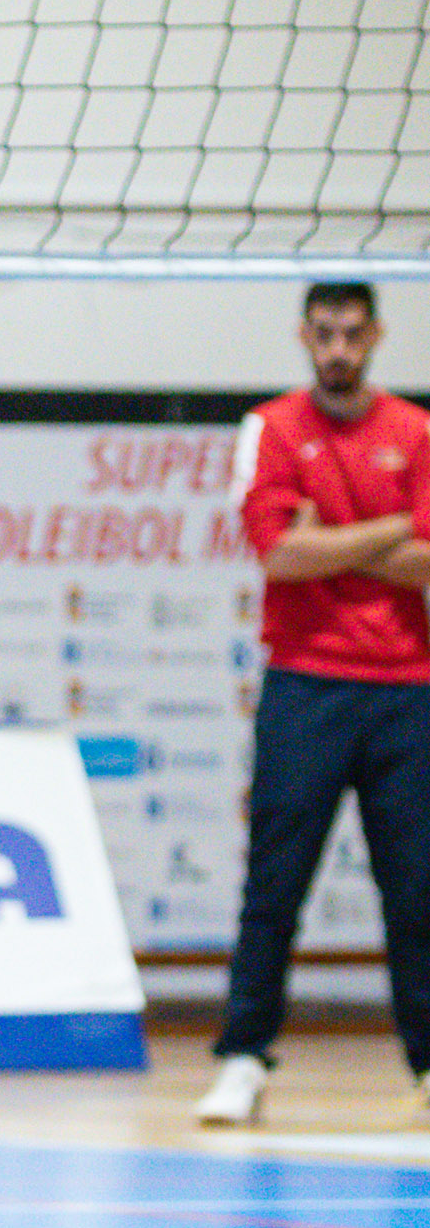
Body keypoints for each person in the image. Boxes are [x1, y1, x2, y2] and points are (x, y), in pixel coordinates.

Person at [198, 282, 430, 1124]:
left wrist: (320, 538)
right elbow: (276, 555)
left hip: (406, 688)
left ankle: (426, 1065)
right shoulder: (270, 427)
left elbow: (423, 561)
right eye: (323, 334)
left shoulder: (416, 432)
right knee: (275, 882)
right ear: (304, 335)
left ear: (375, 336)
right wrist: (390, 527)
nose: (337, 349)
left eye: (350, 334)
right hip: (304, 682)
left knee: (417, 889)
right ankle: (242, 1059)